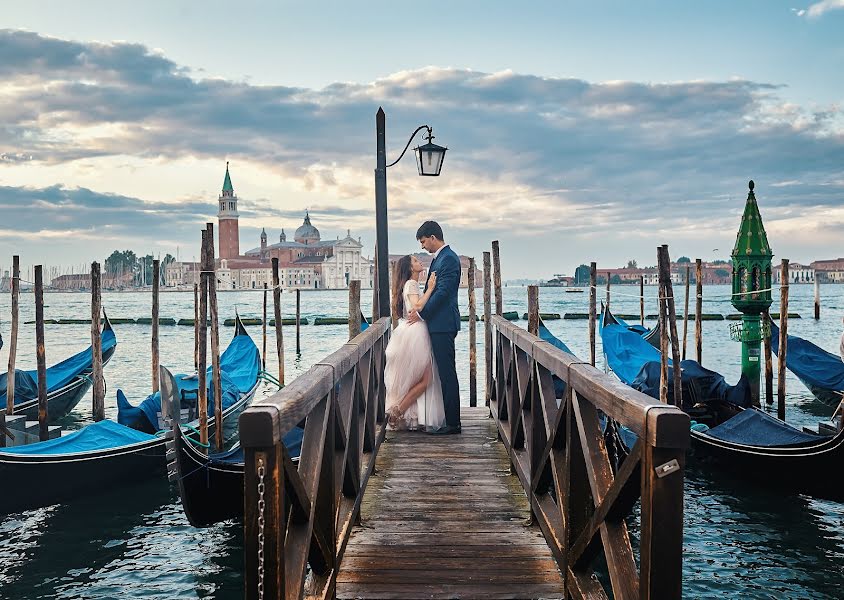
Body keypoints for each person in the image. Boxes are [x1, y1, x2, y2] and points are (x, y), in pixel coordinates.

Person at [408, 221, 462, 434]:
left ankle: (453, 423)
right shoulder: (441, 259)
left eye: (423, 242)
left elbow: (443, 293)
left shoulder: (448, 259)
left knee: (447, 372)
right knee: (443, 372)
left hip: (443, 324)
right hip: (439, 323)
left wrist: (421, 313)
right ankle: (449, 419)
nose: (422, 246)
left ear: (432, 237)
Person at [383, 255, 446, 432]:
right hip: (416, 333)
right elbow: (417, 306)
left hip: (413, 332)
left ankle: (407, 413)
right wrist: (431, 288)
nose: (420, 262)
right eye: (416, 261)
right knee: (426, 379)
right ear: (411, 268)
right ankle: (398, 412)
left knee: (419, 378)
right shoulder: (411, 284)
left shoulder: (412, 284)